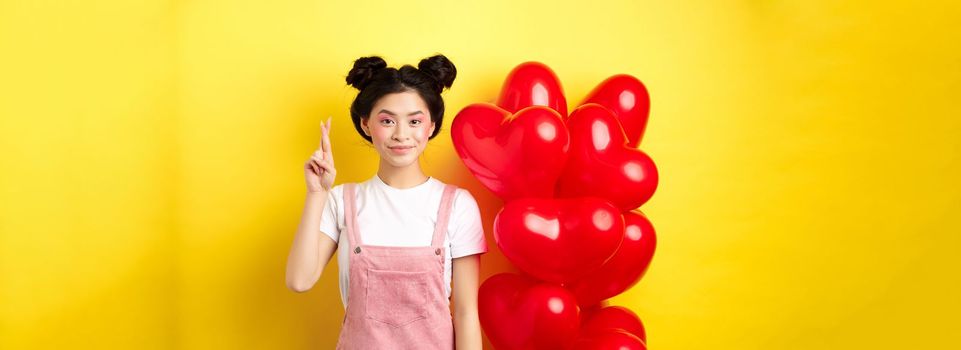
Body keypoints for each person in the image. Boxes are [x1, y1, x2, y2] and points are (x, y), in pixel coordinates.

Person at [285, 54, 488, 350]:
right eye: (387, 120)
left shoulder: (457, 205)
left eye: (415, 121)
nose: (401, 134)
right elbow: (299, 280)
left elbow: (467, 313)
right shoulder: (341, 201)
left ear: (431, 126)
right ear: (366, 124)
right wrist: (317, 194)